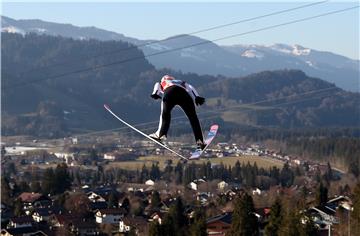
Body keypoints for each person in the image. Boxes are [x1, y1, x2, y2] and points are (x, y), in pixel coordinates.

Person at [149, 74, 206, 150]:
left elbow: (157, 86)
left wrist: (155, 93)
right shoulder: (180, 81)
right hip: (184, 94)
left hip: (169, 93)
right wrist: (197, 97)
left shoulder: (162, 81)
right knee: (193, 118)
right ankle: (200, 141)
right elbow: (191, 88)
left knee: (165, 115)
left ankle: (161, 135)